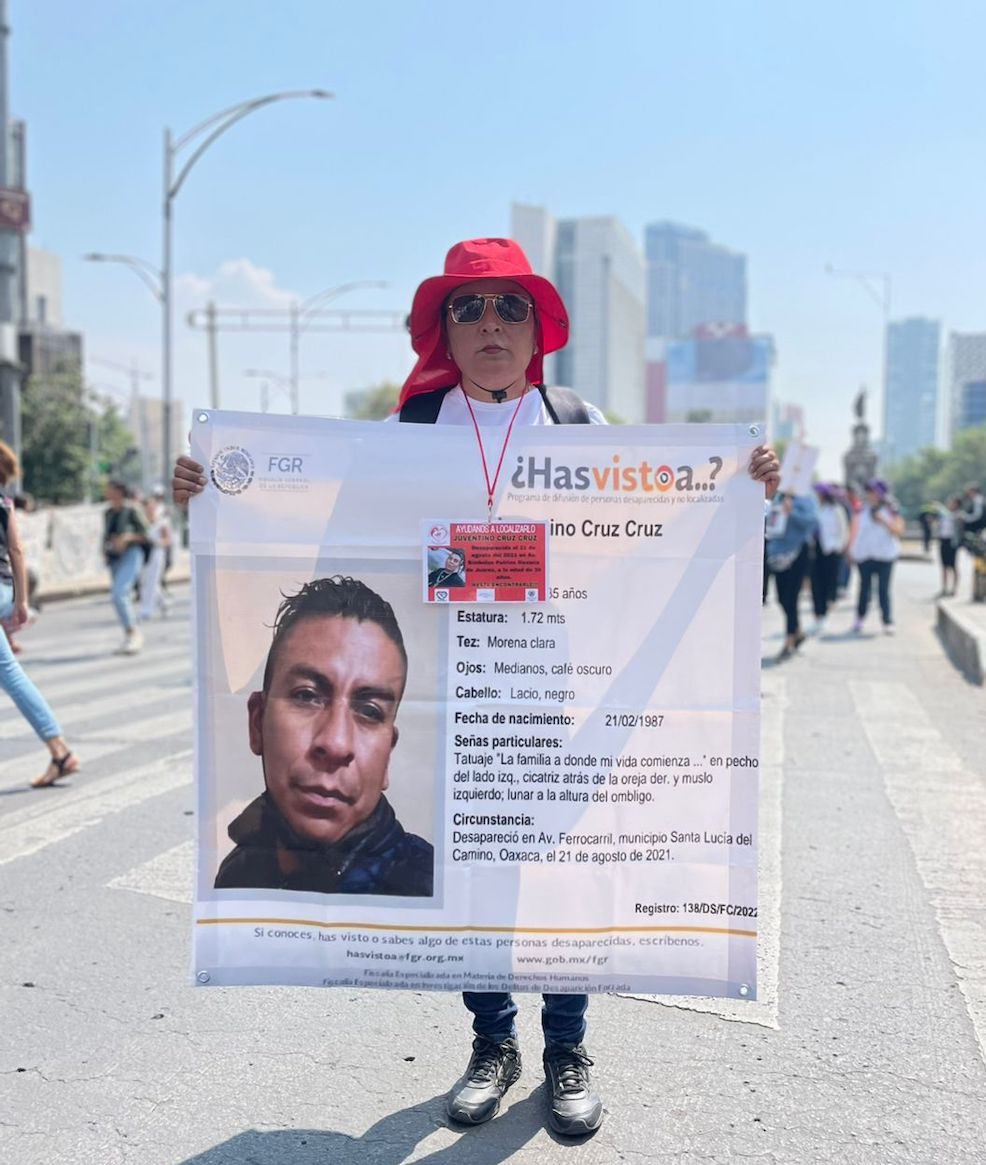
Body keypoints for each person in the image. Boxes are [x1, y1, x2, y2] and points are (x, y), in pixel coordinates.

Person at [175, 236, 782, 1139]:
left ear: (539, 328)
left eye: (509, 306)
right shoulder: (404, 439)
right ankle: (491, 1041)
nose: (490, 322)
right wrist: (214, 492)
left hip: (568, 695)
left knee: (567, 878)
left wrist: (746, 488)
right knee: (477, 885)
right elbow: (330, 541)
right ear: (444, 331)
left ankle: (567, 1045)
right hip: (461, 701)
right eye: (469, 307)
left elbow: (668, 531)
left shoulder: (583, 428)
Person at [215, 575, 433, 895]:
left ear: (388, 755)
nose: (335, 743)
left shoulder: (424, 884)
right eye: (306, 695)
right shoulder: (238, 872)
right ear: (258, 723)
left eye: (370, 711)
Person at [0, 441, 81, 788]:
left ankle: (60, 751)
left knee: (10, 673)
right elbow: (16, 549)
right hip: (5, 589)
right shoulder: (4, 502)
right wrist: (20, 600)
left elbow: (18, 547)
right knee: (9, 672)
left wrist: (21, 603)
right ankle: (59, 751)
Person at [766, 491, 818, 659]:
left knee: (791, 597)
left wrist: (792, 512)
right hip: (778, 553)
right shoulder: (778, 497)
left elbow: (810, 522)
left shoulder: (806, 499)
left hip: (798, 553)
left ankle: (789, 640)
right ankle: (797, 631)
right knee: (781, 598)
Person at [848, 478, 904, 635]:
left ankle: (887, 621)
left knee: (883, 589)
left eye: (872, 492)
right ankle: (859, 618)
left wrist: (884, 521)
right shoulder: (860, 509)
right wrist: (850, 550)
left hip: (885, 556)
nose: (869, 495)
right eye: (868, 492)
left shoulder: (892, 510)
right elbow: (854, 530)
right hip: (865, 555)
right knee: (863, 588)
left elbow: (899, 531)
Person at [103, 480, 149, 655]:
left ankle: (134, 634)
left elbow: (146, 533)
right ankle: (130, 633)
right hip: (114, 557)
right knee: (121, 596)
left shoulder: (132, 509)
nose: (107, 492)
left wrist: (128, 537)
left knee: (119, 593)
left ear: (119, 491)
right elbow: (106, 534)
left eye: (110, 489)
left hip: (131, 553)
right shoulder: (107, 512)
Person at [809, 483, 848, 632]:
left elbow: (842, 529)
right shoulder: (814, 508)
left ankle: (824, 614)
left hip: (831, 551)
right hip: (815, 550)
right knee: (816, 585)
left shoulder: (836, 509)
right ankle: (817, 615)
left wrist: (839, 547)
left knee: (828, 583)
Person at [138, 493, 173, 620]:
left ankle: (146, 610)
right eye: (146, 506)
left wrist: (158, 543)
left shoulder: (162, 522)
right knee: (147, 581)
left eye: (151, 505)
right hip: (145, 553)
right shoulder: (142, 522)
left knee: (152, 580)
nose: (149, 508)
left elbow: (168, 540)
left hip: (158, 553)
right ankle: (164, 602)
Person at [937, 497, 963, 597]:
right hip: (943, 541)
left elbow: (952, 518)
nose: (950, 505)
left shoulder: (959, 515)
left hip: (952, 542)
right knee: (944, 566)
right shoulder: (944, 515)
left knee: (953, 566)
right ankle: (944, 588)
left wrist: (940, 508)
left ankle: (954, 588)